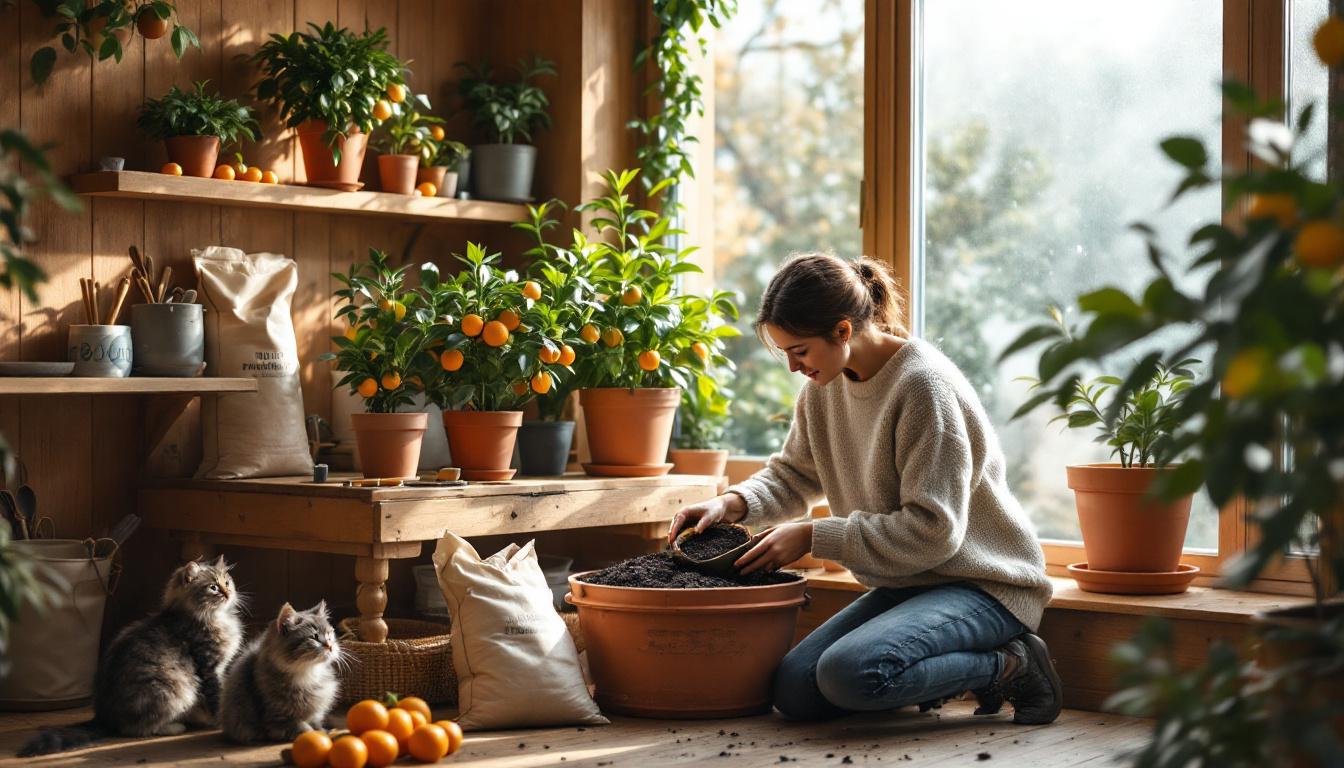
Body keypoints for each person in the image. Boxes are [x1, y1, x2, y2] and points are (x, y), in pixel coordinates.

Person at [668, 253, 1061, 724]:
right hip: (910, 582)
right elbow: (793, 474)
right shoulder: (822, 387)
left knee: (850, 674)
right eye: (785, 352)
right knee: (795, 690)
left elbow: (935, 531)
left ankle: (1011, 665)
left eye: (799, 350)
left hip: (985, 585)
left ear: (843, 331)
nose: (793, 367)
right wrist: (731, 503)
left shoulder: (923, 389)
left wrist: (816, 536)